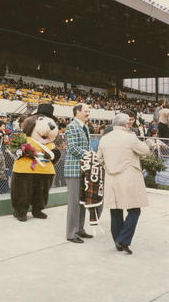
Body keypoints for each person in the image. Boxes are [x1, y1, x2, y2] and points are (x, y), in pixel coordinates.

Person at [97, 113, 150, 254]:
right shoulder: (130, 137)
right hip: (129, 178)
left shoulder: (105, 138)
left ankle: (118, 241)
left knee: (115, 210)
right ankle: (123, 239)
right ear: (127, 124)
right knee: (134, 210)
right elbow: (145, 151)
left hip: (111, 178)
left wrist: (108, 167)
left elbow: (99, 159)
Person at [64, 103, 93, 243]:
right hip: (74, 169)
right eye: (86, 111)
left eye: (89, 111)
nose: (88, 113)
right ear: (77, 112)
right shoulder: (71, 127)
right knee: (74, 202)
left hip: (84, 169)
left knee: (82, 201)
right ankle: (71, 233)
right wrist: (90, 155)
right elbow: (73, 148)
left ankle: (80, 229)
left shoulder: (85, 127)